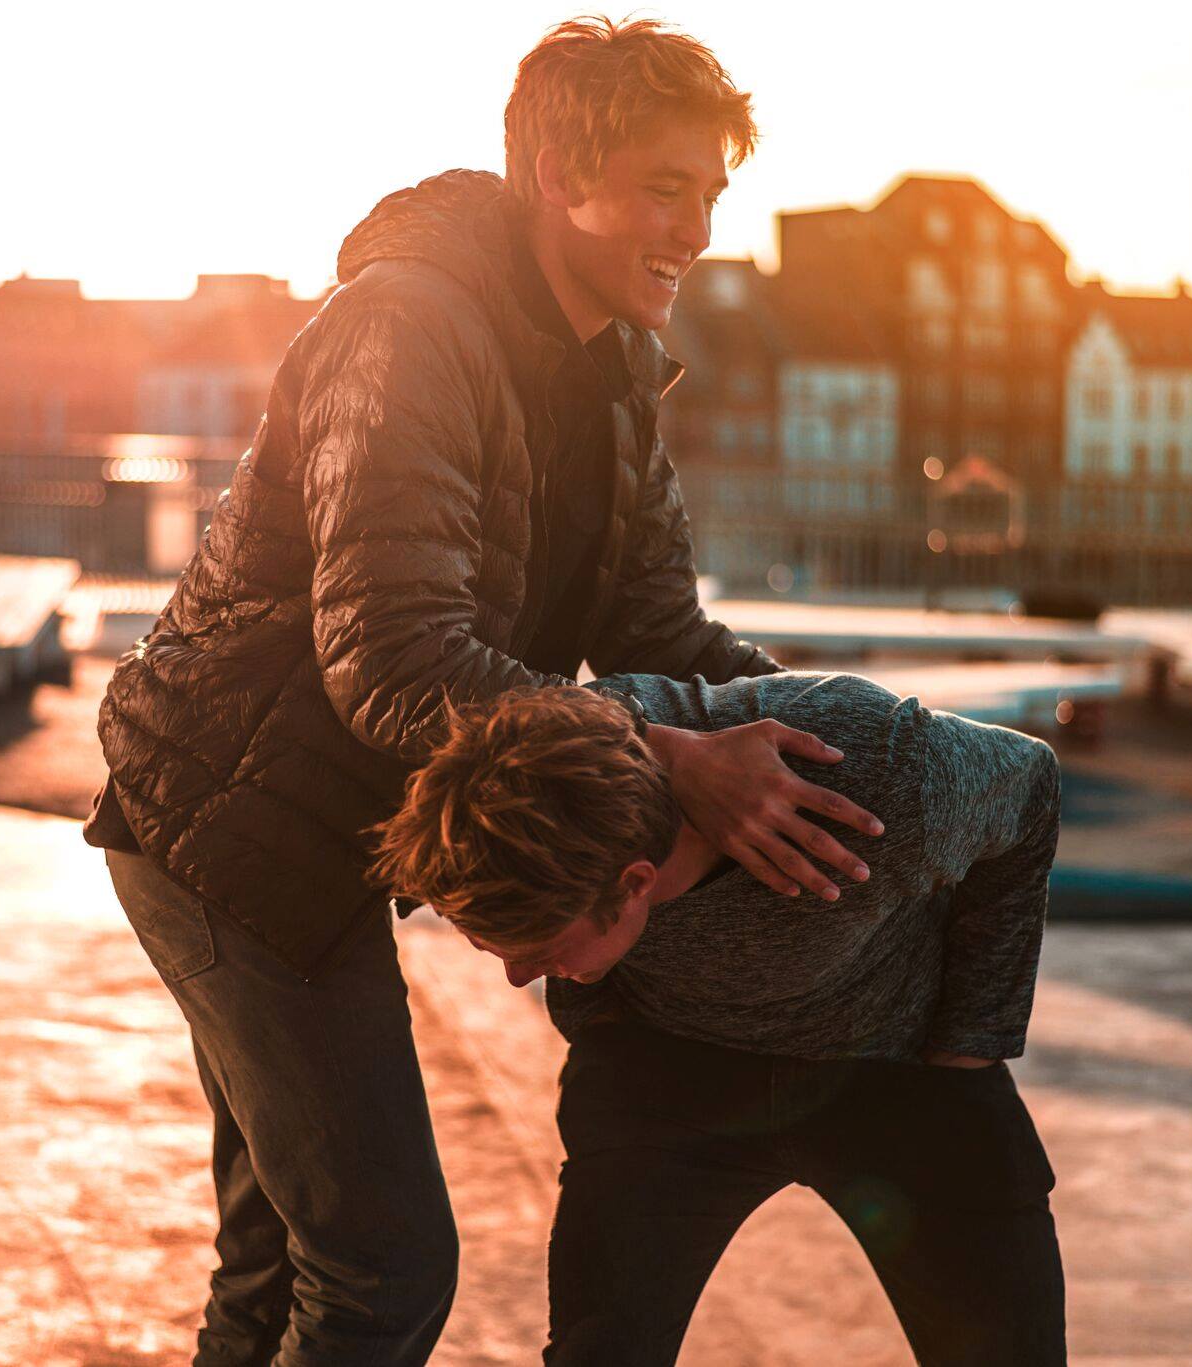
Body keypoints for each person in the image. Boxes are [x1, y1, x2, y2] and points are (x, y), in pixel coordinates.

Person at [85, 18, 888, 1365]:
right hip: (230, 838)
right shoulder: (405, 331)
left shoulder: (618, 378)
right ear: (549, 174)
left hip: (318, 841)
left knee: (283, 1262)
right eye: (660, 188)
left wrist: (853, 734)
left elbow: (659, 628)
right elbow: (395, 661)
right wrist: (673, 757)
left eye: (708, 192)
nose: (692, 228)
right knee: (383, 1265)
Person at [371, 676, 1067, 1366]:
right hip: (664, 1065)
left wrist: (970, 1042)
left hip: (895, 1065)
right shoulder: (559, 758)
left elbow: (1029, 784)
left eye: (540, 950)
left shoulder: (875, 774)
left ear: (636, 882)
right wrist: (601, 1024)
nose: (517, 977)